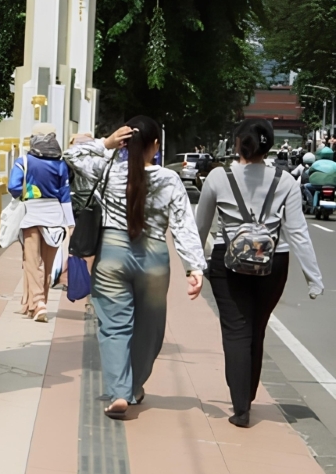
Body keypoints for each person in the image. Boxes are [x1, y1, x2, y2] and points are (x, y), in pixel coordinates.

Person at [63, 117, 205, 420]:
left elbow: (71, 155)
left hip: (112, 254)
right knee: (149, 328)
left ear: (124, 142)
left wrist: (105, 143)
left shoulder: (108, 169)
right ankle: (134, 384)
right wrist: (194, 267)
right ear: (156, 145)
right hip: (154, 258)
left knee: (114, 327)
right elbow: (183, 225)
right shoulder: (169, 179)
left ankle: (119, 392)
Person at [196, 119, 325, 427]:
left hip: (228, 261)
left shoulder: (218, 176)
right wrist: (313, 278)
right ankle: (248, 395)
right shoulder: (286, 180)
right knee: (257, 329)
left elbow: (199, 227)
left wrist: (193, 264)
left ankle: (241, 407)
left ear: (238, 142)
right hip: (273, 263)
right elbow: (297, 232)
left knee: (236, 331)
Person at [9, 124, 74, 321]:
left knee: (32, 261)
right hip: (55, 217)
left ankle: (38, 302)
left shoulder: (24, 161)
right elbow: (65, 195)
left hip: (31, 214)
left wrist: (25, 193)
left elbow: (13, 186)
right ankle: (36, 305)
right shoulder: (61, 165)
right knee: (46, 263)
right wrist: (70, 223)